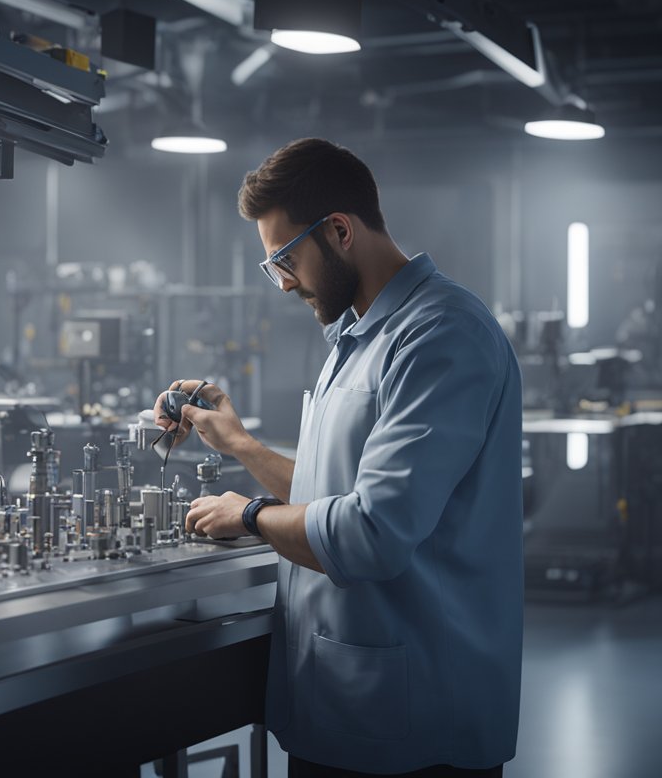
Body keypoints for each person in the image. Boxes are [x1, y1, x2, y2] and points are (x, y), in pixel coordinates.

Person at [154, 138, 522, 777]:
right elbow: (335, 493)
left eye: (284, 260)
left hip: (414, 723)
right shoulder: (357, 338)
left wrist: (249, 516)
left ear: (341, 231)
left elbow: (371, 533)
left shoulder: (441, 336)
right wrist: (238, 443)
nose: (284, 283)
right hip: (347, 703)